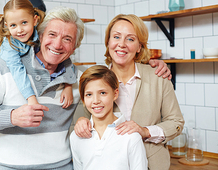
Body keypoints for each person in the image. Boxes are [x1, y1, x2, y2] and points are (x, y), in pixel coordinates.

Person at [0, 7, 171, 169]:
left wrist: (153, 65)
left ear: (74, 46)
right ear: (40, 36)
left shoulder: (80, 81)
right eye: (52, 34)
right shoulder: (6, 68)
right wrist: (11, 117)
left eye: (67, 39)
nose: (58, 44)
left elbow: (99, 108)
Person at [74, 14, 184, 170]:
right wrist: (81, 122)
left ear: (139, 46)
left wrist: (145, 131)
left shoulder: (159, 77)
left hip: (153, 164)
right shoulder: (95, 80)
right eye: (116, 37)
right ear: (108, 42)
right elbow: (78, 122)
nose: (121, 44)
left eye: (130, 39)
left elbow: (176, 122)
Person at [0, 0, 73, 108]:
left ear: (35, 20)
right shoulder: (9, 46)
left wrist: (68, 85)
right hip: (15, 84)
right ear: (7, 26)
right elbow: (18, 71)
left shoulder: (38, 35)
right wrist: (31, 98)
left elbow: (61, 55)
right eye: (13, 25)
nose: (19, 30)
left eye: (24, 22)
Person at [70, 65, 147, 170]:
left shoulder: (131, 137)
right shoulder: (76, 136)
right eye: (89, 94)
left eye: (102, 93)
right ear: (83, 98)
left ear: (115, 94)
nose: (96, 100)